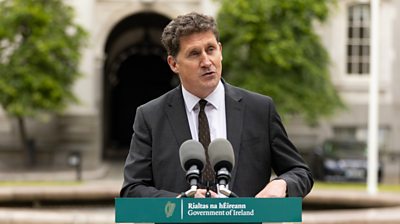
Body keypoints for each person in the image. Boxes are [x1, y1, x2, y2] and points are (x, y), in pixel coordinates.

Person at [120, 12, 313, 198]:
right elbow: (133, 189)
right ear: (173, 63)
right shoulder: (150, 116)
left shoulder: (260, 109)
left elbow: (299, 172)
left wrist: (282, 184)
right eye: (194, 54)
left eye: (210, 49)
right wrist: (180, 202)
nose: (206, 61)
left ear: (220, 51)